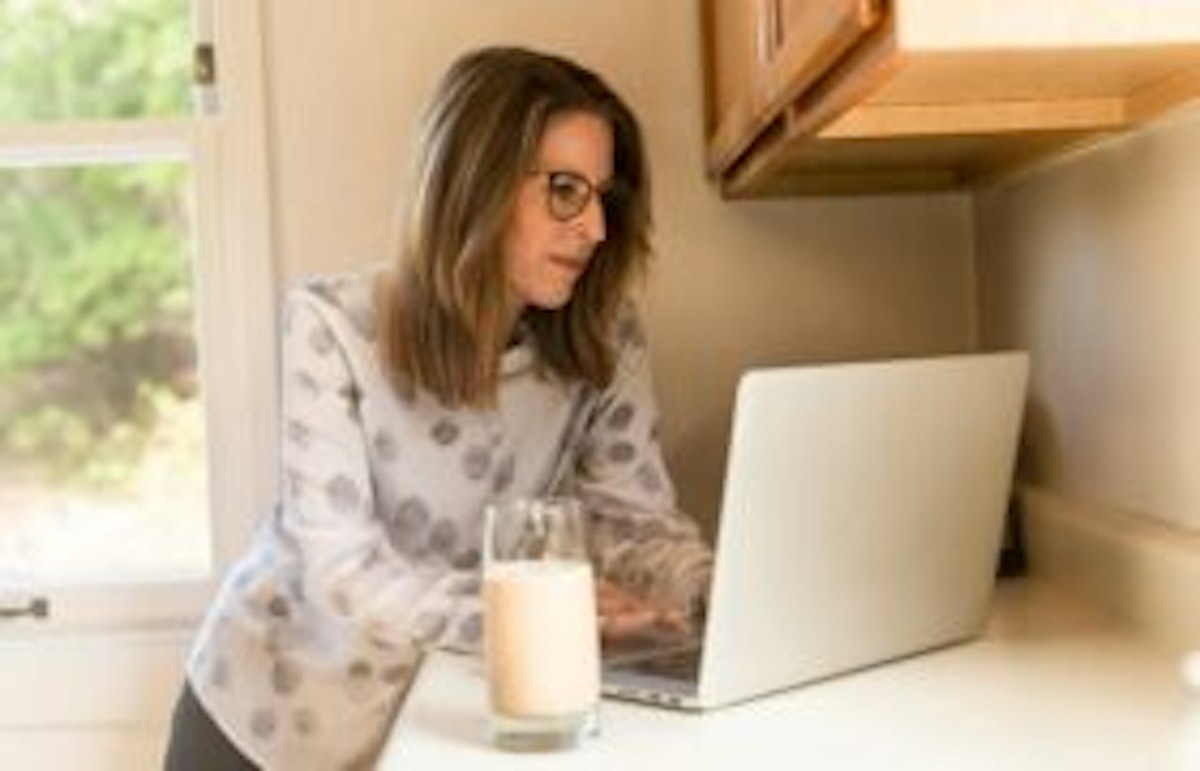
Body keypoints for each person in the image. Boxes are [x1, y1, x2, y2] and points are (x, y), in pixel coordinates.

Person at [163, 46, 713, 770]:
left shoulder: (604, 339)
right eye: (564, 190)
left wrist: (718, 594)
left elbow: (632, 524)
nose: (595, 229)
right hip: (264, 723)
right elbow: (343, 568)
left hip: (434, 720)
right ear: (473, 185)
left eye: (602, 197)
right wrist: (542, 613)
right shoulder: (330, 326)